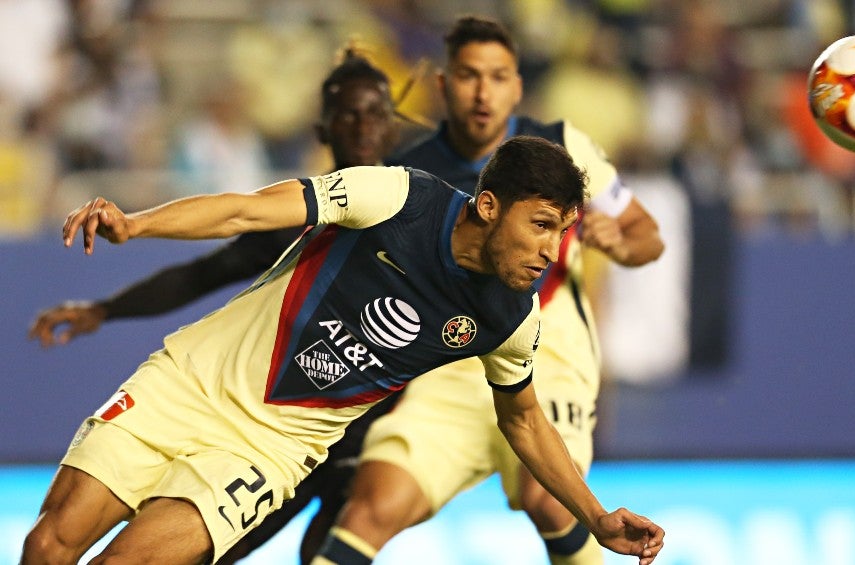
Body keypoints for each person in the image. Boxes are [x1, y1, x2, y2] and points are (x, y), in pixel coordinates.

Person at [22, 135, 664, 565]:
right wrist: (137, 224)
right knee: (49, 546)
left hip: (269, 451)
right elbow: (247, 211)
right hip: (189, 384)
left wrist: (596, 517)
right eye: (542, 225)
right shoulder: (398, 199)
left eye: (563, 231)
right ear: (490, 206)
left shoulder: (510, 316)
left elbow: (523, 420)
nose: (552, 251)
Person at [26, 48, 407, 564]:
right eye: (349, 114)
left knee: (332, 551)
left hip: (361, 435)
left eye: (376, 114)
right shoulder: (294, 214)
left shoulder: (422, 218)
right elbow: (202, 274)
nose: (363, 127)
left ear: (395, 125)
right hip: (263, 427)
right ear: (323, 129)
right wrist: (105, 310)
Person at [314, 16, 665, 565]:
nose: (483, 93)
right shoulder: (410, 170)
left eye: (498, 77)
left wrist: (620, 244)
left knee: (550, 500)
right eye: (468, 75)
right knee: (372, 507)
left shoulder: (564, 147)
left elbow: (647, 237)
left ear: (517, 86)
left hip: (549, 355)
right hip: (451, 357)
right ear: (443, 84)